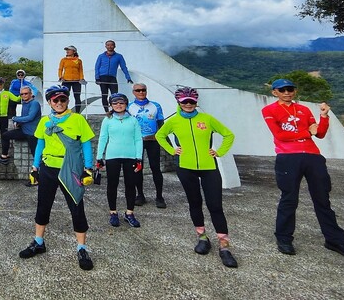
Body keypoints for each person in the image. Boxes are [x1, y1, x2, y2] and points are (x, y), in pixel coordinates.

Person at [262, 78, 344, 260]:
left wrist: (323, 117)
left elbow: (321, 134)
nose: (287, 92)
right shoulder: (269, 110)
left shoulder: (304, 109)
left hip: (313, 157)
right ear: (274, 92)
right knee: (289, 199)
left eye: (290, 89)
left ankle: (335, 240)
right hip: (288, 158)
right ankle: (284, 238)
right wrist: (308, 132)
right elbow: (280, 135)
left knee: (323, 199)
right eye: (282, 90)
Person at [156, 87, 238, 268]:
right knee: (195, 203)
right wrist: (172, 150)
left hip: (209, 166)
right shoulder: (174, 121)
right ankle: (202, 237)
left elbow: (228, 134)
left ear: (196, 102)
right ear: (179, 102)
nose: (188, 104)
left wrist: (219, 152)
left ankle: (224, 246)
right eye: (184, 101)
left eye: (191, 101)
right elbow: (160, 135)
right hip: (186, 167)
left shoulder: (206, 119)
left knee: (215, 205)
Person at [19, 85, 96, 271]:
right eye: (56, 100)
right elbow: (40, 145)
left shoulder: (78, 119)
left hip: (71, 168)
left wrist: (88, 168)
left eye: (63, 99)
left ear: (68, 101)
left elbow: (86, 144)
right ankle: (38, 242)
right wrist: (34, 167)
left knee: (76, 206)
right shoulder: (44, 121)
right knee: (43, 204)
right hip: (48, 168)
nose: (60, 103)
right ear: (49, 102)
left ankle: (82, 248)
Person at [96, 93, 143, 228]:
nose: (118, 105)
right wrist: (100, 157)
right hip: (112, 156)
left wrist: (139, 157)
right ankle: (113, 213)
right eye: (115, 103)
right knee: (112, 185)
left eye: (121, 103)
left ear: (126, 104)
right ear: (111, 105)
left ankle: (129, 213)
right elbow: (103, 138)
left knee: (130, 185)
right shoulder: (108, 120)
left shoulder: (133, 120)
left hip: (131, 156)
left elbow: (138, 139)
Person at [128, 83, 166, 208]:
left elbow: (161, 123)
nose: (141, 92)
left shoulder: (155, 105)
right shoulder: (129, 107)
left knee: (155, 168)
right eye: (138, 90)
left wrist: (161, 137)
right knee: (138, 168)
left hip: (152, 141)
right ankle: (140, 195)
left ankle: (159, 197)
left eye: (143, 90)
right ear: (133, 92)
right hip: (137, 142)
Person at [0, 86, 41, 176]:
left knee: (36, 154)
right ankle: (4, 156)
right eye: (21, 94)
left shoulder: (34, 103)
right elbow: (25, 118)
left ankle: (38, 176)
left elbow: (30, 117)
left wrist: (15, 118)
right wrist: (19, 123)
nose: (23, 95)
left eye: (26, 93)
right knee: (5, 135)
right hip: (23, 130)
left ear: (31, 94)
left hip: (32, 133)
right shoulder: (24, 103)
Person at [94, 40, 133, 113]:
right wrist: (97, 78)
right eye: (108, 45)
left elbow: (123, 67)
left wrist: (128, 77)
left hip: (112, 77)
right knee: (104, 95)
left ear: (114, 46)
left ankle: (114, 110)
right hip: (103, 77)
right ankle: (106, 111)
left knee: (115, 95)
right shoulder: (101, 56)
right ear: (105, 46)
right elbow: (97, 67)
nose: (110, 46)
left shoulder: (119, 56)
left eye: (111, 45)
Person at [58, 45, 86, 113]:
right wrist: (60, 77)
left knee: (77, 96)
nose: (67, 51)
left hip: (76, 81)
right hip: (66, 80)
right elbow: (60, 69)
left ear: (74, 51)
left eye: (69, 50)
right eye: (66, 50)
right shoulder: (63, 60)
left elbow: (81, 70)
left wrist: (81, 78)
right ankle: (64, 111)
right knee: (64, 96)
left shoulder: (78, 60)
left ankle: (77, 113)